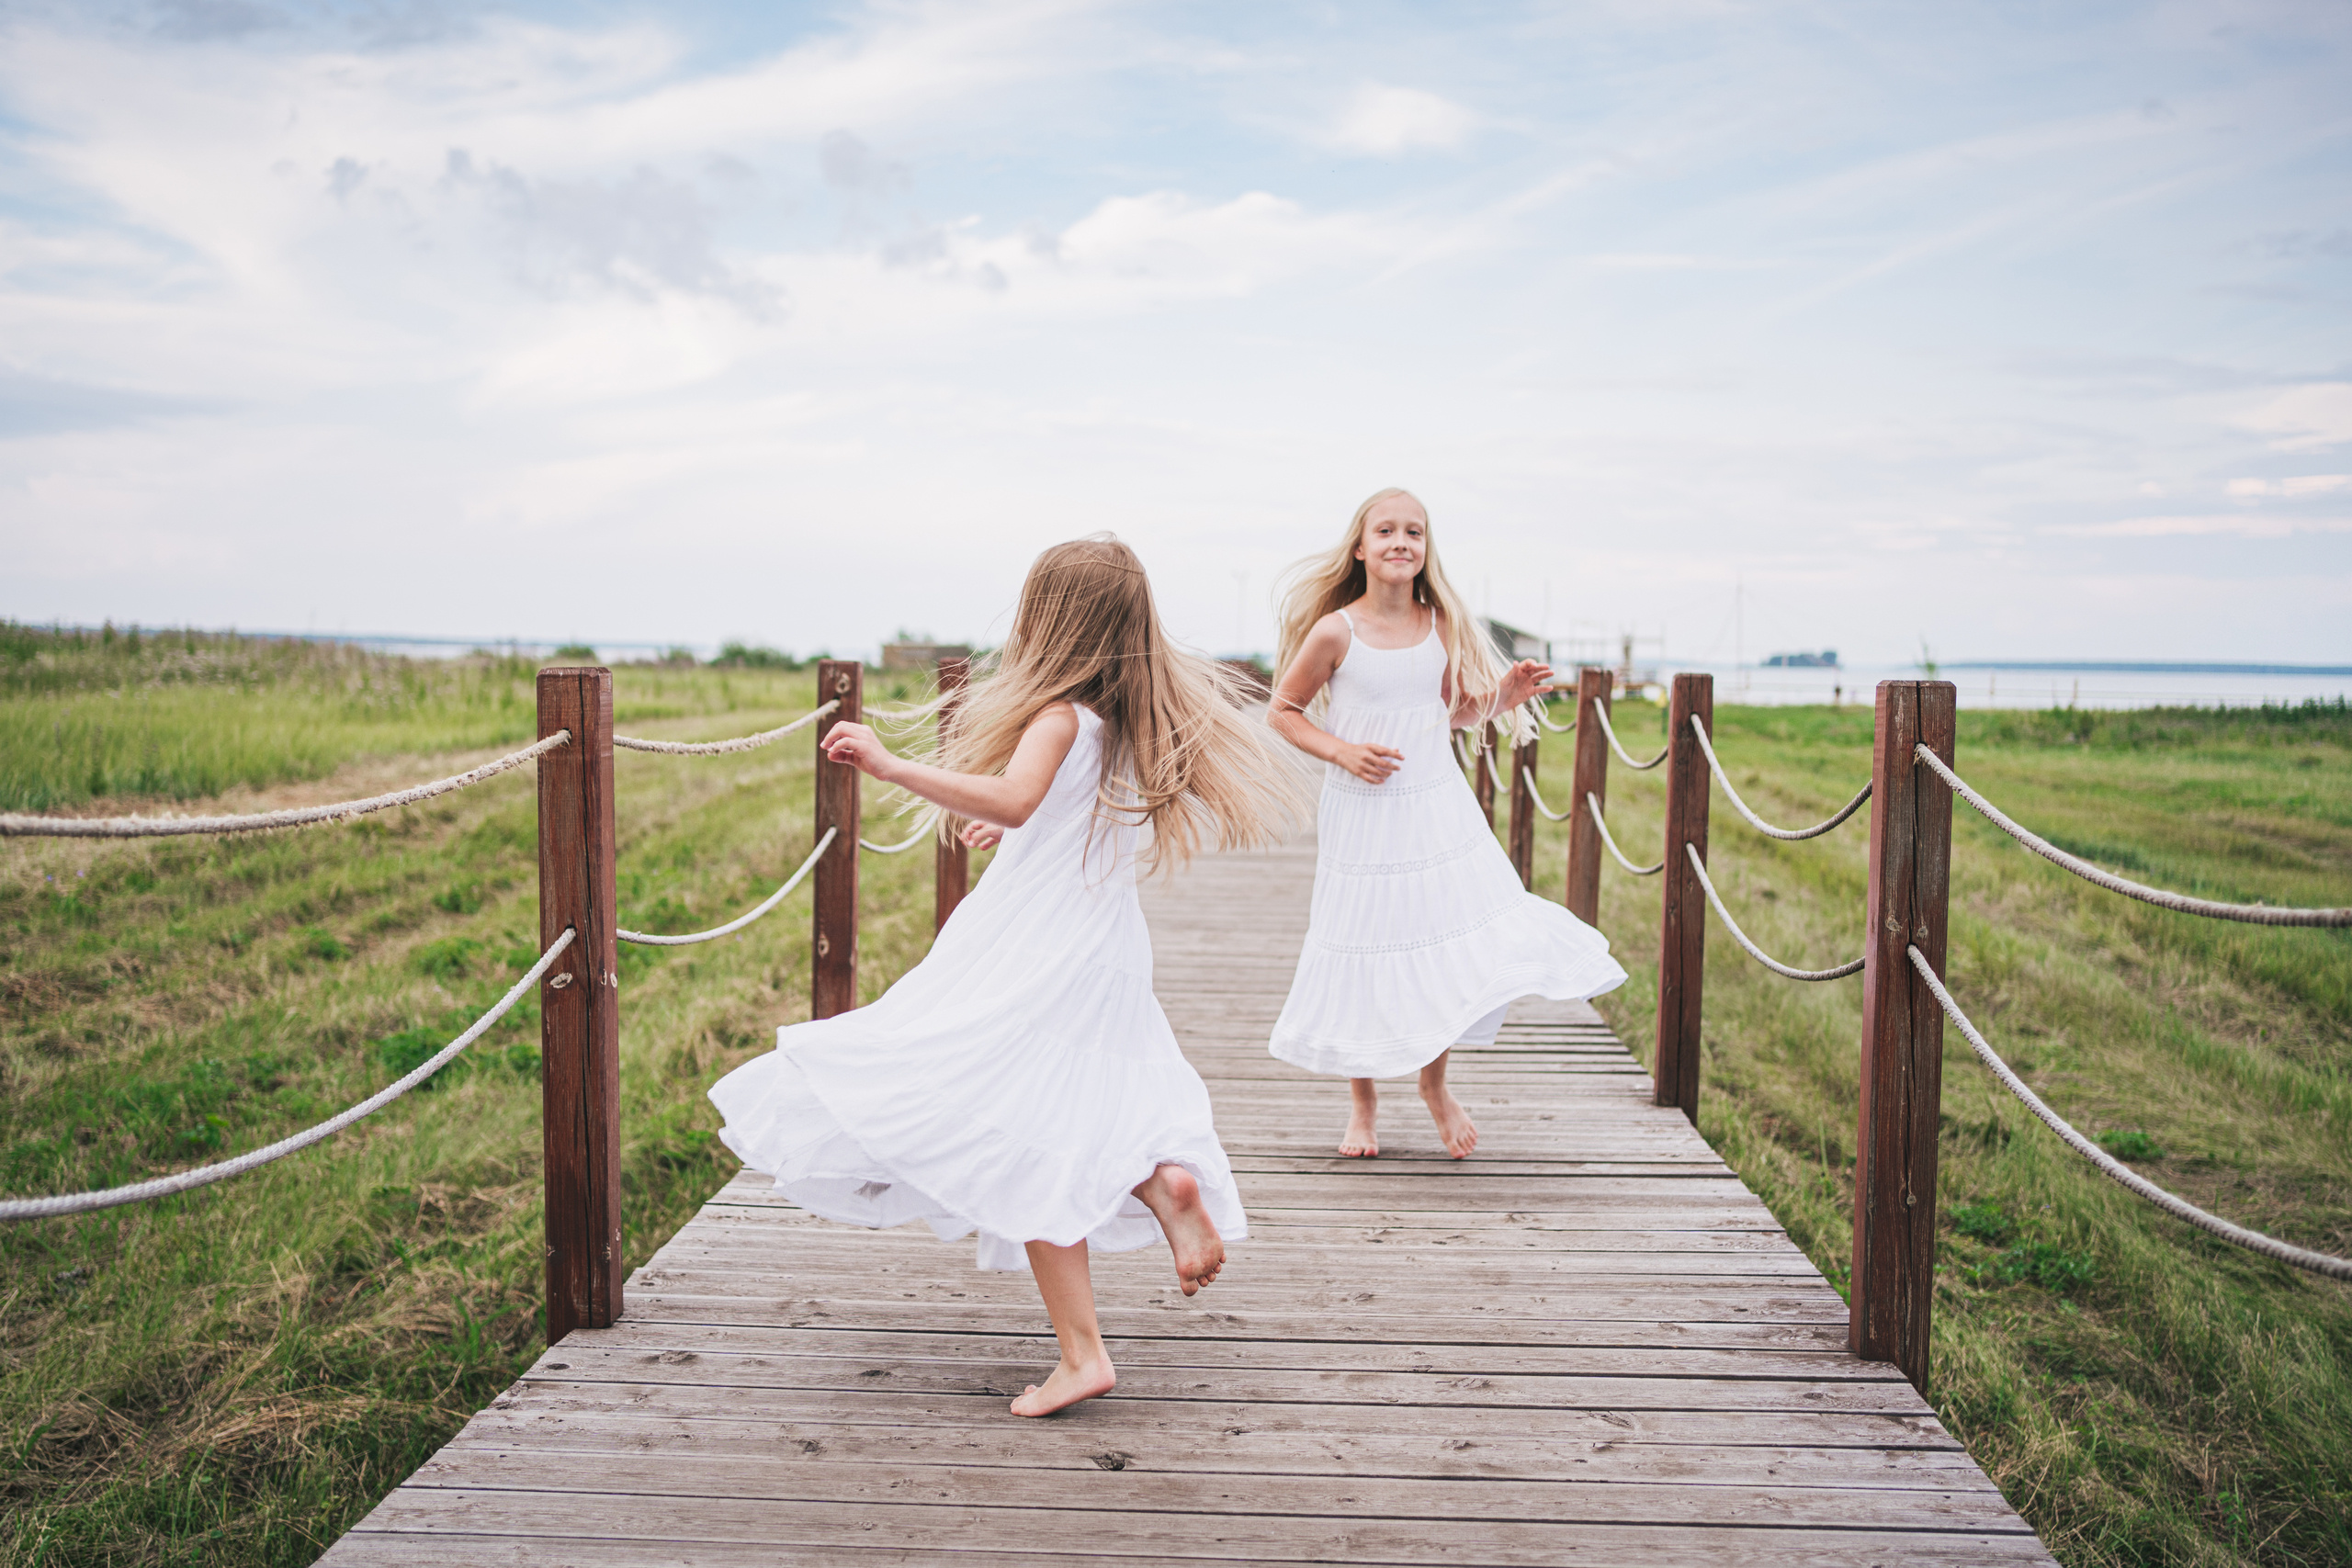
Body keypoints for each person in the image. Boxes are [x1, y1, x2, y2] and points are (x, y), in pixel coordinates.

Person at [709, 535, 1305, 1417]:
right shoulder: (1121, 724)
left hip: (1035, 947)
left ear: (1048, 623)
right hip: (1101, 946)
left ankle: (1085, 1351)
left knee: (1013, 1128)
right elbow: (1048, 814)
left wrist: (891, 763)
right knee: (1045, 1121)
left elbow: (1022, 795)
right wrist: (1015, 833)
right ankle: (1151, 1181)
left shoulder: (1059, 715)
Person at [1265, 488, 1627, 1158]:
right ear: (1361, 547)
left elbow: (1448, 714)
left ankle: (1435, 1085)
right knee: (1364, 941)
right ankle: (1363, 1103)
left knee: (1442, 939)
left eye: (1415, 532)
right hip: (1363, 812)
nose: (1401, 542)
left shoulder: (1440, 625)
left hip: (1436, 806)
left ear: (1426, 549)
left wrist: (1501, 698)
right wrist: (1342, 751)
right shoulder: (1335, 631)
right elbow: (1282, 711)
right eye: (1386, 531)